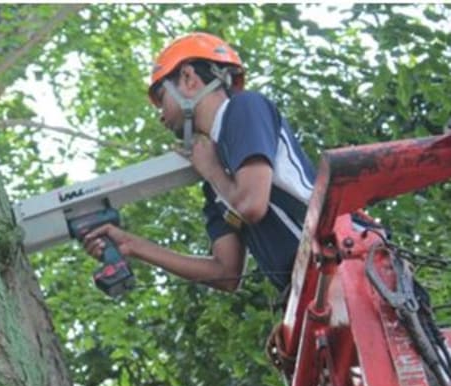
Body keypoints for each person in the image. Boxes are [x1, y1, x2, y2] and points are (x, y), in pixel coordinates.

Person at [83, 32, 315, 296]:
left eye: (161, 98)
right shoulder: (216, 184)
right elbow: (227, 273)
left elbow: (252, 205)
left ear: (188, 78)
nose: (161, 117)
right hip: (307, 291)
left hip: (341, 260)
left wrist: (213, 171)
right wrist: (131, 245)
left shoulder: (243, 108)